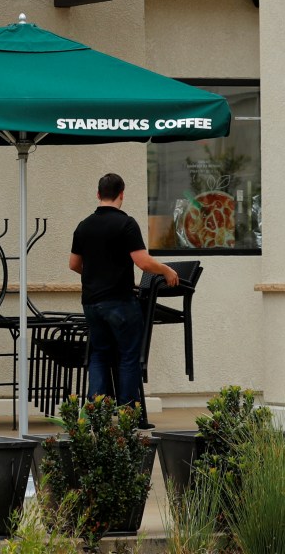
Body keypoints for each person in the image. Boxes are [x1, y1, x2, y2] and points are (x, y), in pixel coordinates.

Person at [68, 172, 178, 427]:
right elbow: (142, 262)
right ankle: (129, 417)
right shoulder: (126, 224)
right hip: (119, 301)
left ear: (98, 194)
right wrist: (166, 270)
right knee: (128, 357)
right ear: (121, 194)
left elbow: (74, 264)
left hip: (91, 303)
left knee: (99, 356)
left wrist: (96, 275)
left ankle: (96, 415)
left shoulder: (83, 225)